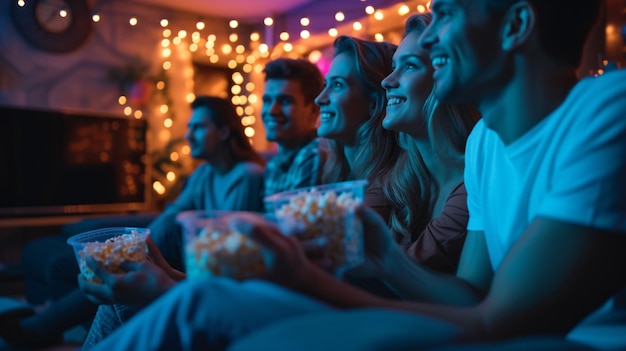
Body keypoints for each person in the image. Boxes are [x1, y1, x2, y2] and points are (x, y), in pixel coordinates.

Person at [81, 15, 485, 350]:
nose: (321, 99)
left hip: (344, 312)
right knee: (132, 295)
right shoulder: (398, 175)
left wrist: (172, 283)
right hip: (320, 300)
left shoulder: (442, 179)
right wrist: (171, 274)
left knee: (169, 301)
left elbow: (336, 283)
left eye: (337, 85)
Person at [0, 96, 267, 348]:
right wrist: (133, 245)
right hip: (166, 256)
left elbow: (226, 250)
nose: (188, 136)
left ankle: (33, 329)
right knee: (61, 267)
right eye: (189, 127)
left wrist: (145, 253)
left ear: (223, 132)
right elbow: (171, 214)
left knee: (116, 270)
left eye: (198, 127)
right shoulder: (204, 173)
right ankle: (74, 325)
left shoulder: (247, 176)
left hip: (194, 268)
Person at [261, 57, 328, 198]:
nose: (272, 111)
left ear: (314, 110)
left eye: (285, 101)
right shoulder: (274, 164)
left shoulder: (315, 153)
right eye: (267, 100)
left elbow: (292, 219)